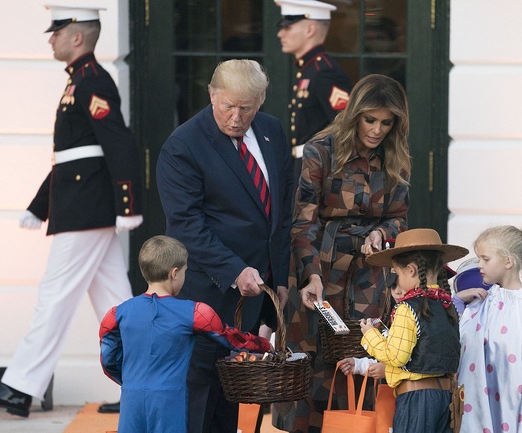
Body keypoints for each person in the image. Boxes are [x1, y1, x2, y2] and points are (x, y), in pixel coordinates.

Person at [0, 5, 142, 418]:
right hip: (82, 205)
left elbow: (119, 143)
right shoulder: (79, 82)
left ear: (77, 36)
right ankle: (144, 382)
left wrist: (129, 203)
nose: (51, 38)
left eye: (56, 31)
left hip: (87, 210)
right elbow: (71, 158)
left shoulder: (93, 81)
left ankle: (20, 388)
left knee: (54, 297)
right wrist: (39, 206)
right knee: (117, 303)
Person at [156, 59, 294, 433]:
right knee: (197, 398)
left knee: (228, 404)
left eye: (245, 108)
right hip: (205, 293)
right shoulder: (183, 145)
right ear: (211, 94)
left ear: (261, 100)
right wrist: (234, 270)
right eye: (227, 106)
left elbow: (281, 215)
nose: (235, 117)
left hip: (255, 295)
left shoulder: (271, 131)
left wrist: (279, 277)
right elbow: (186, 225)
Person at [272, 73, 411, 433]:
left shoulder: (395, 156)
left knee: (363, 352)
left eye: (386, 122)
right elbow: (303, 220)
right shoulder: (322, 149)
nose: (378, 130)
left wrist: (382, 232)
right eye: (370, 119)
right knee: (313, 358)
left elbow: (399, 219)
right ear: (354, 114)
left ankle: (355, 427)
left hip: (369, 274)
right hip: (320, 263)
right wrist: (310, 274)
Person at [99, 235, 272, 433]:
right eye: (184, 272)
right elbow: (232, 339)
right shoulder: (195, 312)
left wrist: (129, 380)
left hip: (132, 398)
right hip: (170, 401)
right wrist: (264, 345)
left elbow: (108, 360)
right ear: (174, 273)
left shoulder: (116, 314)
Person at [361, 228, 469, 433]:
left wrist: (370, 336)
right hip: (446, 397)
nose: (398, 281)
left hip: (416, 400)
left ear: (410, 270)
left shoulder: (406, 308)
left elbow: (395, 356)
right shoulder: (448, 306)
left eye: (398, 273)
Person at [456, 225, 522, 433]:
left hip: (511, 400)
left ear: (508, 261)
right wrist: (459, 301)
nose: (480, 266)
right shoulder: (484, 299)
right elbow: (460, 335)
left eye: (485, 259)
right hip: (480, 399)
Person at [276, 0, 352, 187]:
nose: (280, 34)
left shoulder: (324, 72)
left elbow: (347, 127)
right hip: (305, 168)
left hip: (319, 172)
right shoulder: (308, 70)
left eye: (287, 27)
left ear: (310, 29)